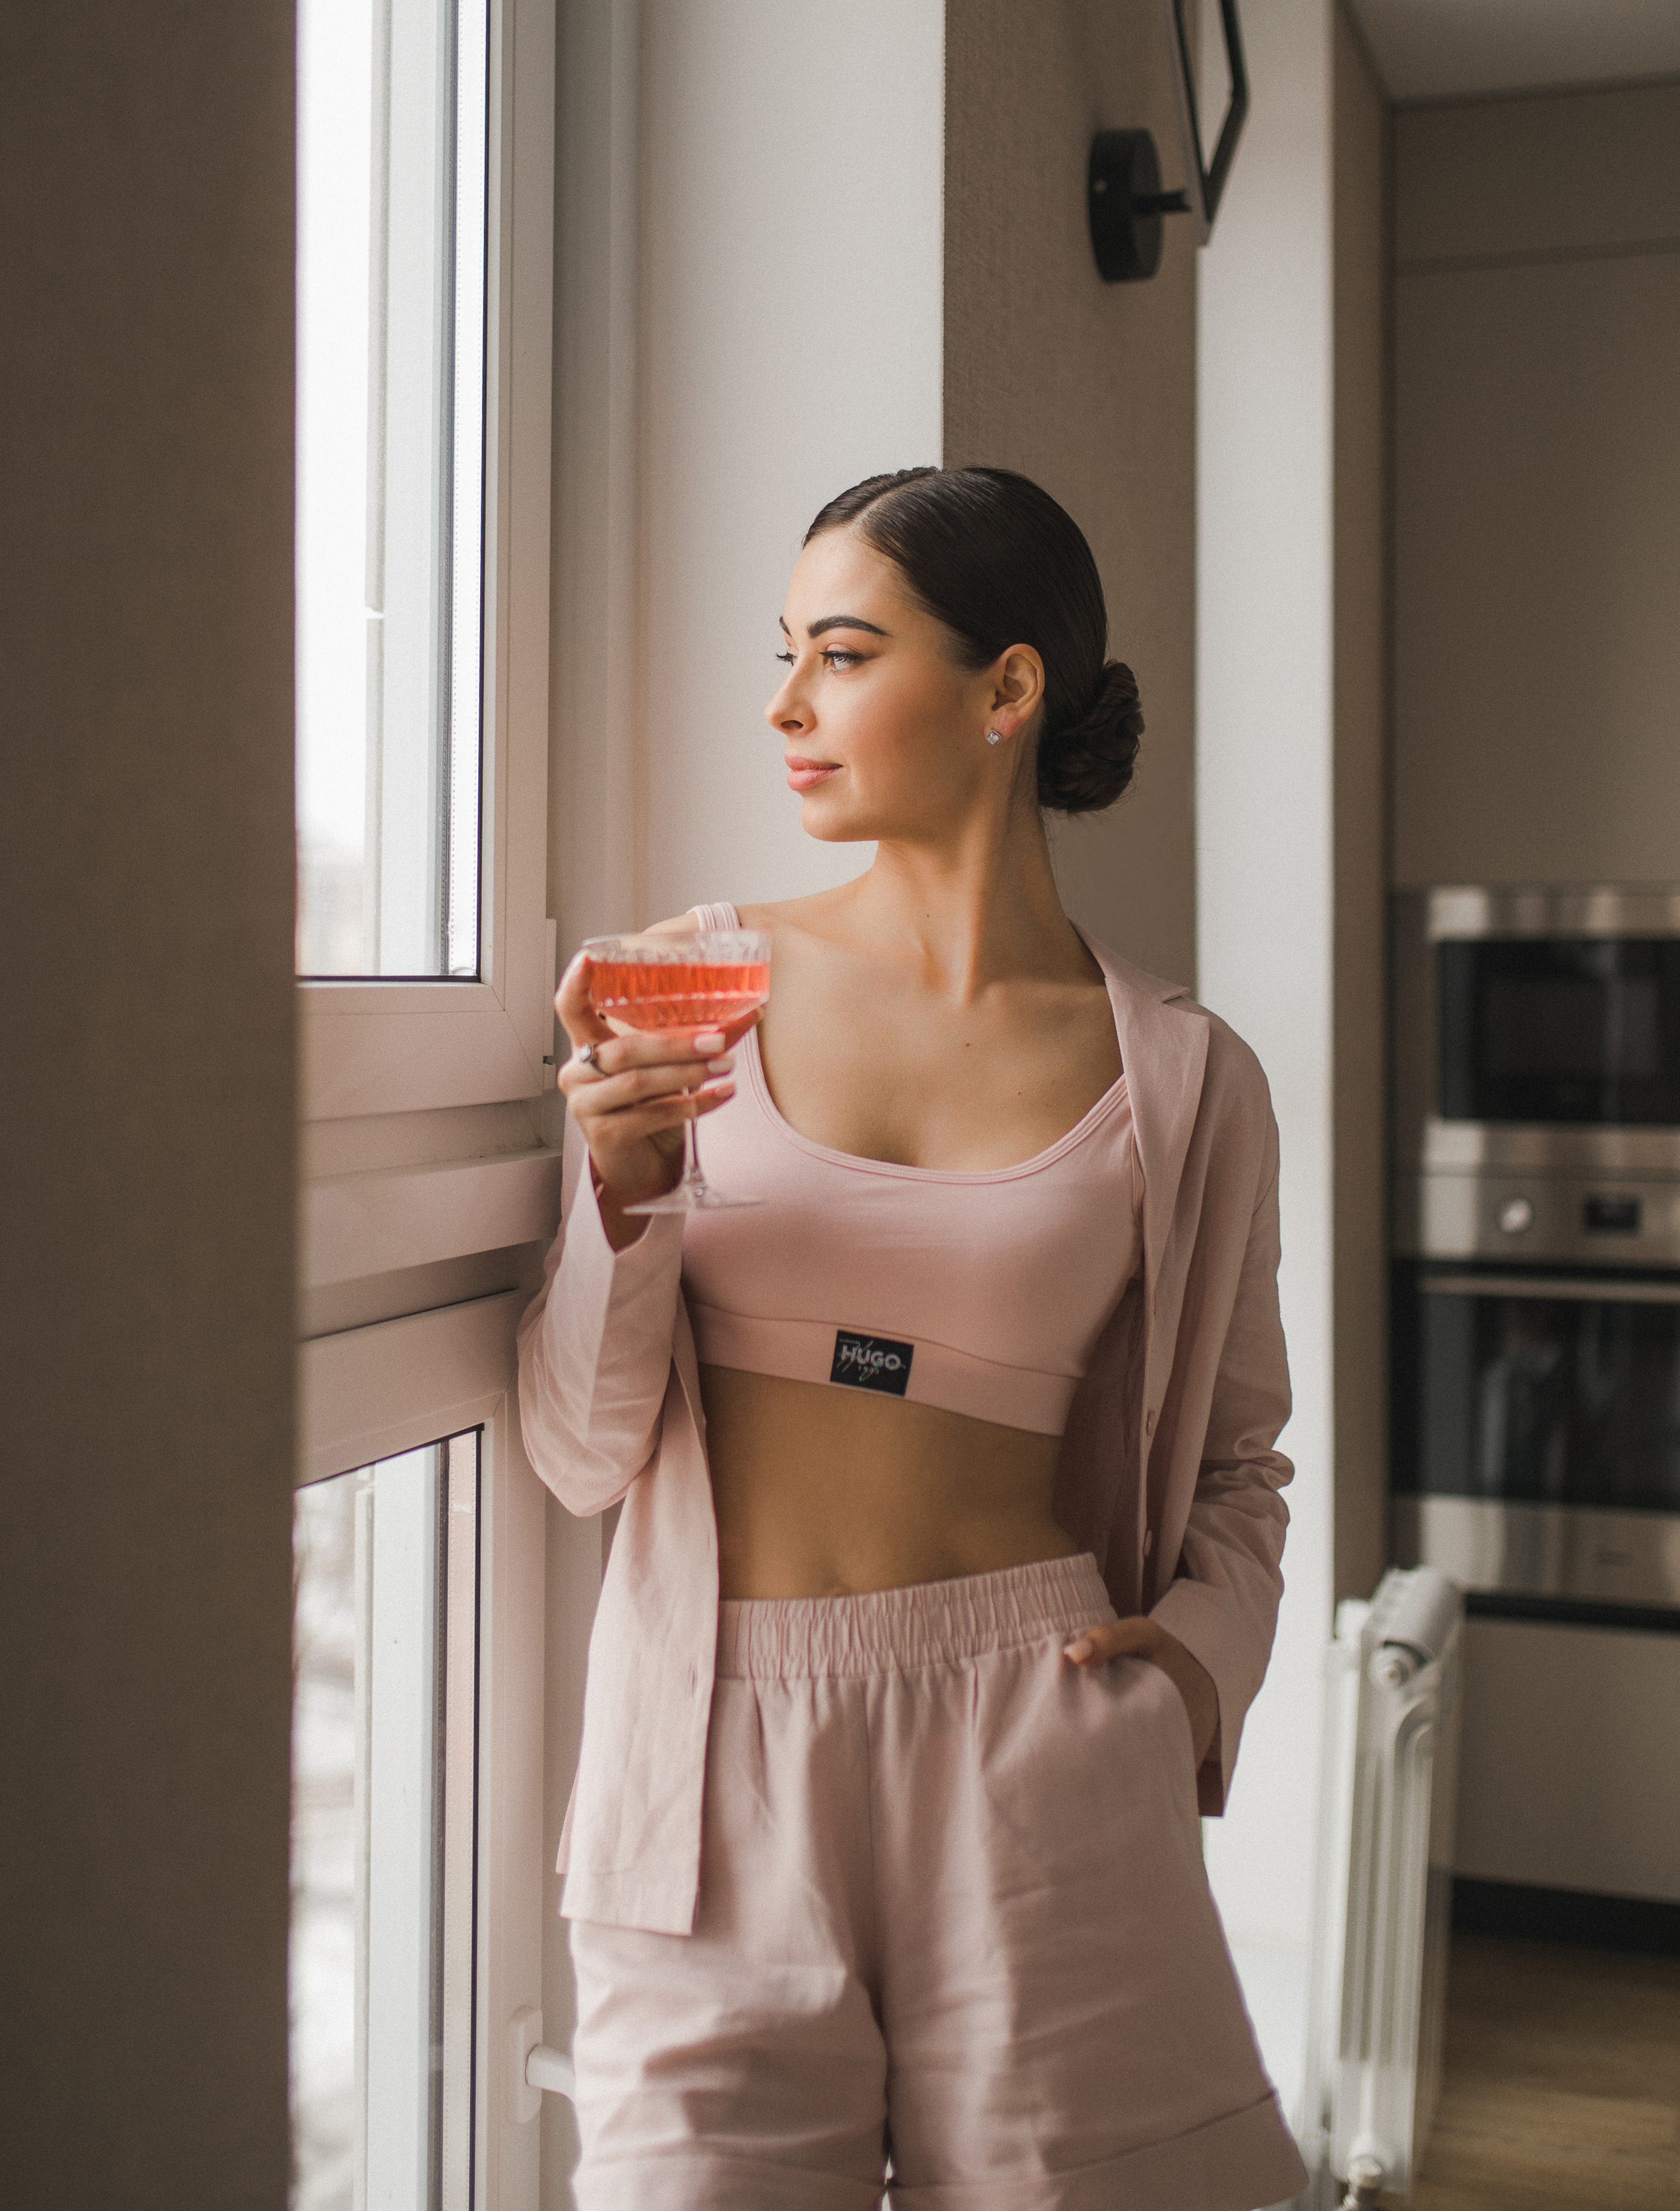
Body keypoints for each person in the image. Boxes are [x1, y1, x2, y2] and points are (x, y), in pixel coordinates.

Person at [518, 466, 1308, 2210]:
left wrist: (1185, 1671)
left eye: (846, 655)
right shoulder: (682, 981)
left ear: (1007, 692)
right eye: (786, 653)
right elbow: (580, 1448)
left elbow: (1243, 1464)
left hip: (1044, 1746)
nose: (786, 706)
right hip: (713, 1761)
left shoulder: (1185, 1078)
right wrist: (624, 1191)